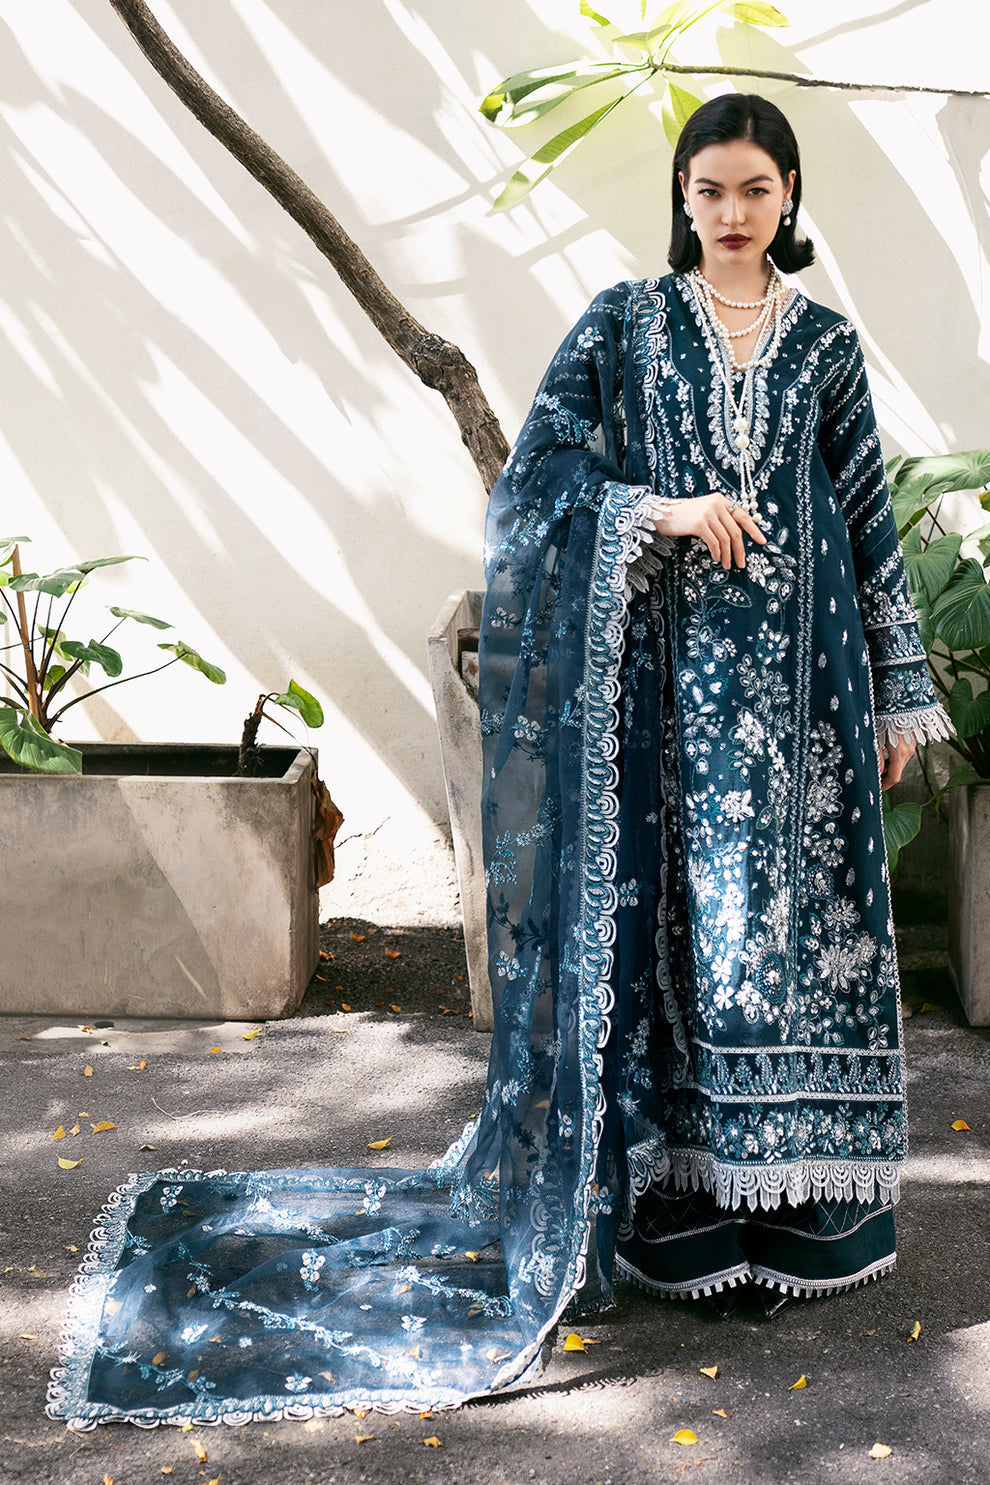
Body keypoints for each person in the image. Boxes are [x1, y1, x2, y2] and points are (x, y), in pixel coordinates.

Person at [47, 95, 949, 1431]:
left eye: (755, 189)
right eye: (709, 189)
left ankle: (797, 1219)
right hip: (662, 705)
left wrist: (900, 692)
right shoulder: (625, 326)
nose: (731, 212)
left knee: (789, 938)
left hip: (805, 700)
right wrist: (656, 510)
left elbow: (866, 520)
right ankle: (687, 1217)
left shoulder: (823, 344)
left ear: (789, 196)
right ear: (682, 196)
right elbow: (537, 484)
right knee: (685, 937)